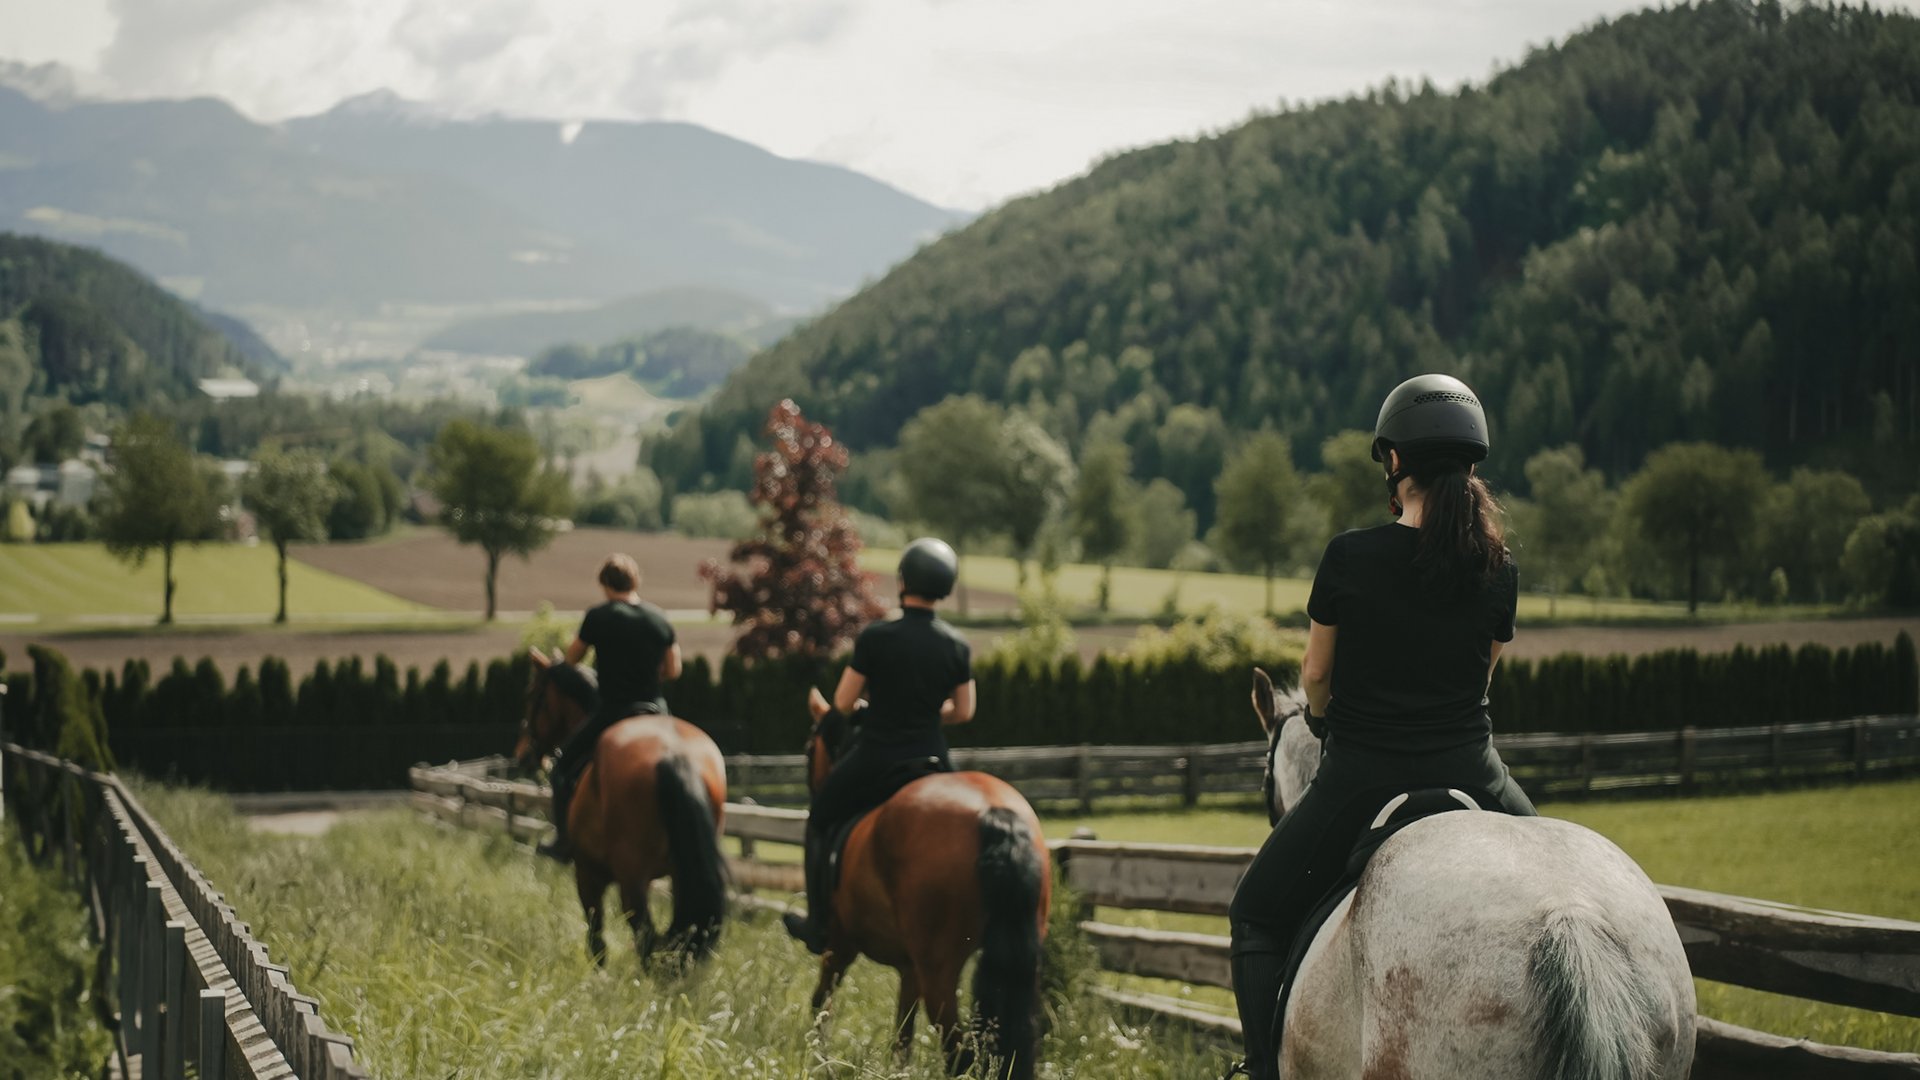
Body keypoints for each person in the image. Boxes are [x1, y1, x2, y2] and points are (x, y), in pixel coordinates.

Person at [1224, 373, 1539, 1079]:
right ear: (1473, 465)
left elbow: (1314, 676)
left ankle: (1260, 1071)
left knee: (1255, 912)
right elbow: (1483, 676)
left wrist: (1327, 720)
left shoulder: (1348, 557)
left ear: (1394, 463)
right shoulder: (1499, 568)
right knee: (1559, 890)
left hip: (1363, 776)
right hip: (1475, 772)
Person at [783, 536, 976, 954]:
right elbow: (963, 712)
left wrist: (881, 707)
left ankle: (818, 925)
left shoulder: (877, 637)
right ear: (945, 587)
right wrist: (924, 712)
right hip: (932, 760)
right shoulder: (957, 645)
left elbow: (843, 703)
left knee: (819, 819)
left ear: (904, 580)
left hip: (877, 755)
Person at [536, 553, 682, 863]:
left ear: (604, 584)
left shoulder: (598, 617)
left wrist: (559, 663)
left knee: (562, 769)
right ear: (635, 581)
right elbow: (673, 670)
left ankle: (563, 842)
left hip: (614, 711)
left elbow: (573, 660)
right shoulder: (659, 618)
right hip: (656, 711)